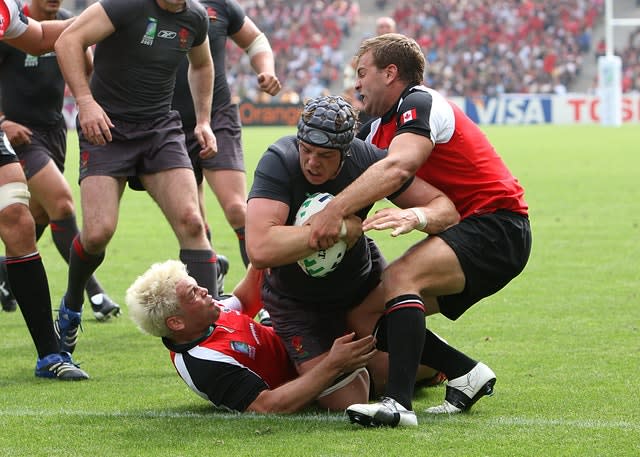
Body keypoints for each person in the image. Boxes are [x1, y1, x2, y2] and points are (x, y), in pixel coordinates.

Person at [308, 34, 532, 427]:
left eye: (362, 73)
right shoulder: (373, 130)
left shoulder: (419, 101)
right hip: (467, 229)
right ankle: (466, 373)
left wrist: (338, 212)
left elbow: (398, 168)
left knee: (400, 276)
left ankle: (398, 404)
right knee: (364, 315)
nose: (356, 83)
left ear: (390, 72)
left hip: (498, 225)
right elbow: (349, 190)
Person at [245, 95, 460, 411]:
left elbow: (445, 209)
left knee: (402, 368)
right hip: (297, 303)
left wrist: (414, 216)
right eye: (306, 150)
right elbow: (260, 249)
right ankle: (353, 357)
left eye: (324, 155)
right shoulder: (280, 160)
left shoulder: (367, 161)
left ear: (345, 153)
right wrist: (342, 230)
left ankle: (412, 362)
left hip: (361, 286)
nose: (311, 162)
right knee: (348, 399)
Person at [52, 0, 219, 357]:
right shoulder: (124, 5)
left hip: (160, 130)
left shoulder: (196, 17)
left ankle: (216, 336)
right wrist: (85, 102)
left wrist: (203, 120)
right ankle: (70, 305)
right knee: (97, 233)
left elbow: (202, 65)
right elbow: (68, 40)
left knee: (193, 222)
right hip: (106, 129)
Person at [0, 0, 120, 322]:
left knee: (39, 213)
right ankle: (92, 293)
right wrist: (2, 122)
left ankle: (5, 271)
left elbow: (89, 70)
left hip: (54, 130)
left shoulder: (69, 22)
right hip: (19, 135)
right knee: (62, 205)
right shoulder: (13, 24)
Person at [125, 259, 377, 413]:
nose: (204, 290)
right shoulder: (204, 362)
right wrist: (333, 364)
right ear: (176, 322)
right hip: (312, 368)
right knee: (371, 378)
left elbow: (246, 299)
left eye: (196, 284)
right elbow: (266, 406)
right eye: (193, 294)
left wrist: (262, 249)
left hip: (300, 340)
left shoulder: (207, 314)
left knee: (380, 327)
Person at [0, 0, 88, 379]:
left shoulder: (5, 9)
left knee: (18, 217)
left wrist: (105, 15)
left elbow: (36, 40)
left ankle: (50, 356)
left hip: (43, 131)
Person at [171, 0, 281, 270]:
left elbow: (255, 41)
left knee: (236, 209)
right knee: (192, 219)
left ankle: (266, 297)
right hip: (167, 122)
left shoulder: (219, 6)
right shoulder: (151, 7)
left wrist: (266, 70)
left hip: (217, 115)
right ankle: (212, 274)